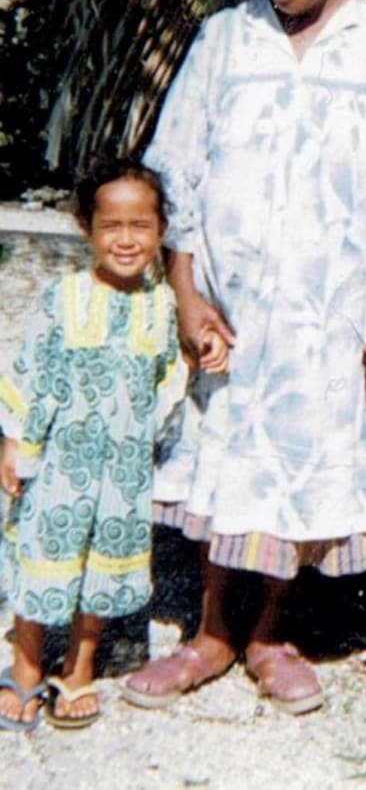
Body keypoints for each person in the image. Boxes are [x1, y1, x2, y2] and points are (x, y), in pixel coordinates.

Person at [121, 0, 366, 715]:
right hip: (234, 312)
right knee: (229, 463)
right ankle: (212, 635)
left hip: (334, 318)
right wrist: (187, 293)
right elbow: (173, 175)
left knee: (302, 468)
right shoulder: (225, 39)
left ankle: (269, 633)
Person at [0, 158, 201, 731]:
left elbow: (166, 378)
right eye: (111, 225)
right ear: (87, 228)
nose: (126, 238)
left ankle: (81, 664)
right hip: (60, 466)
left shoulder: (161, 306)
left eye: (140, 225)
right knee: (46, 557)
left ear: (160, 230)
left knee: (100, 566)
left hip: (122, 470)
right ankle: (27, 663)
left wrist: (190, 360)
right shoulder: (63, 297)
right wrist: (12, 443)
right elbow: (29, 372)